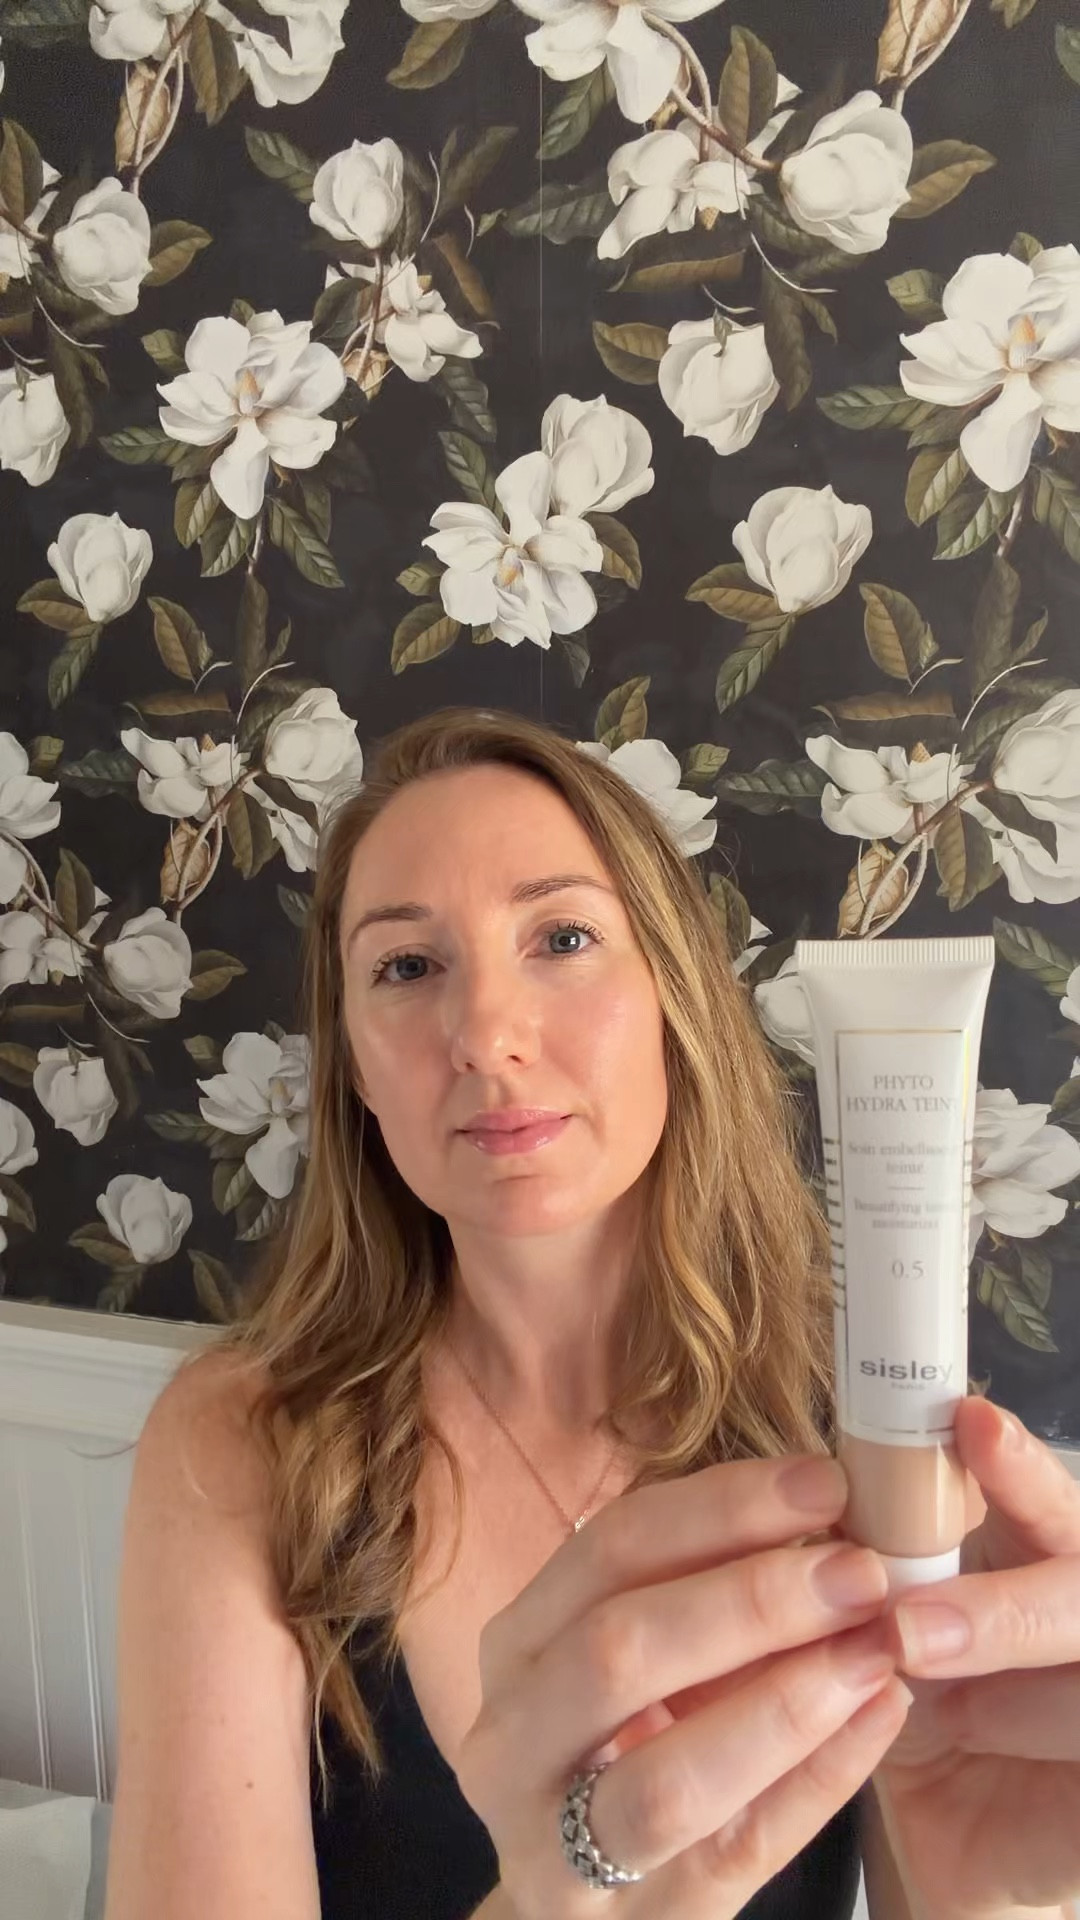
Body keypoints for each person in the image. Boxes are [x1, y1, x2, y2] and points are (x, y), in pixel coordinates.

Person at [104, 706, 1080, 1920]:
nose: (486, 1037)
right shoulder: (241, 1443)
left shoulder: (874, 1433)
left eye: (562, 937)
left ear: (675, 996)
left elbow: (951, 1854)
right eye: (406, 967)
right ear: (352, 1061)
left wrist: (987, 1897)